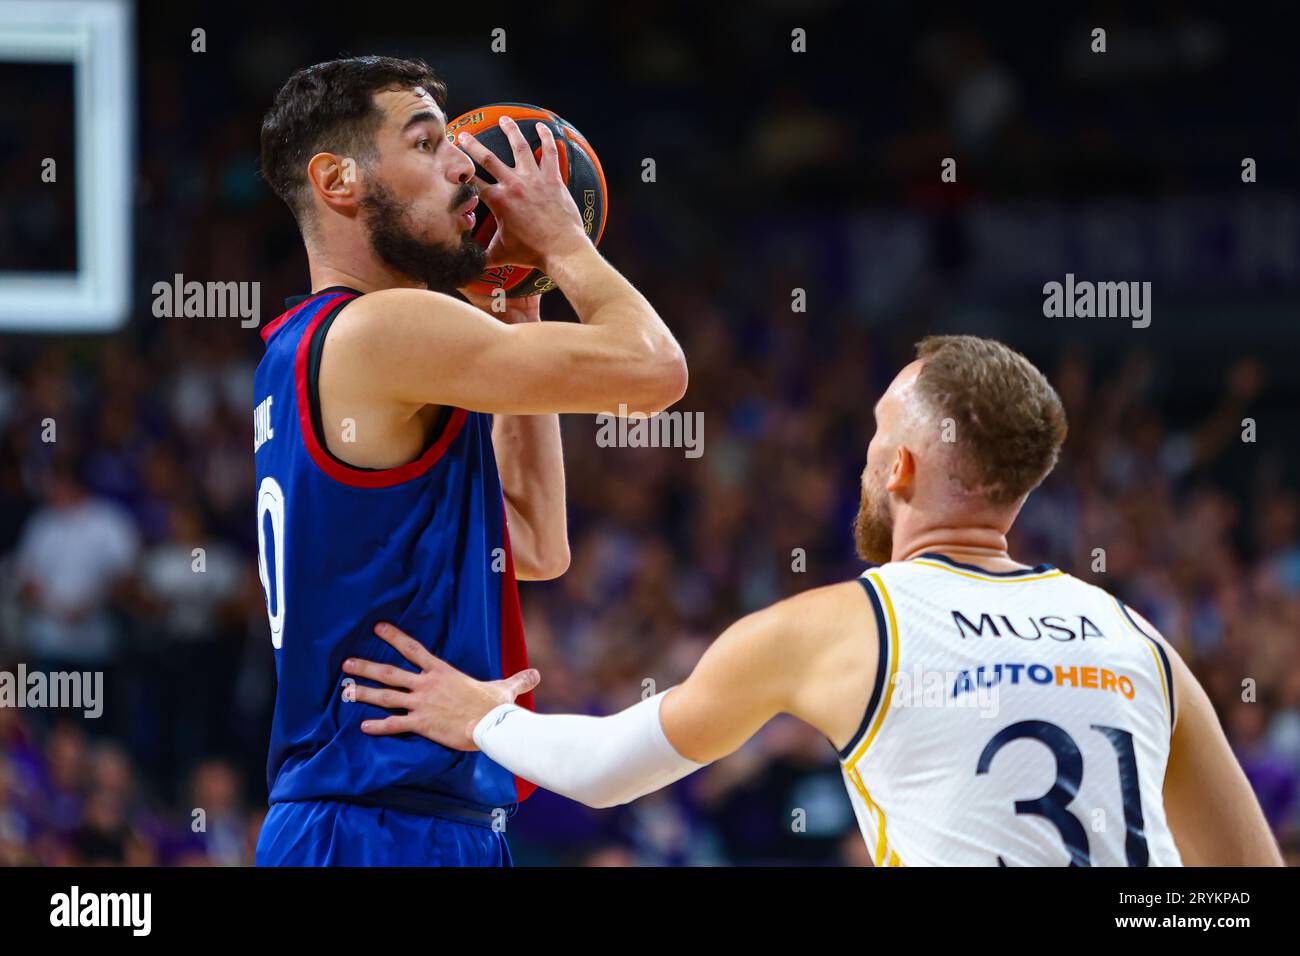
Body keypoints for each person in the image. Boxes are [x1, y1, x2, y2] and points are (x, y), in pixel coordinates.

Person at [346, 335, 1282, 866]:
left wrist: (485, 719)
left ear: (900, 467)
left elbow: (604, 770)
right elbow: (1238, 886)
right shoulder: (1138, 638)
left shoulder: (834, 627)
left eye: (876, 437)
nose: (867, 457)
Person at [251, 56, 685, 866]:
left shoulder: (315, 347)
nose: (462, 165)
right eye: (425, 144)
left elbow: (533, 544)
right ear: (337, 180)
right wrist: (561, 240)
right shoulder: (382, 330)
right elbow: (656, 370)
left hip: (409, 816)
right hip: (376, 819)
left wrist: (519, 310)